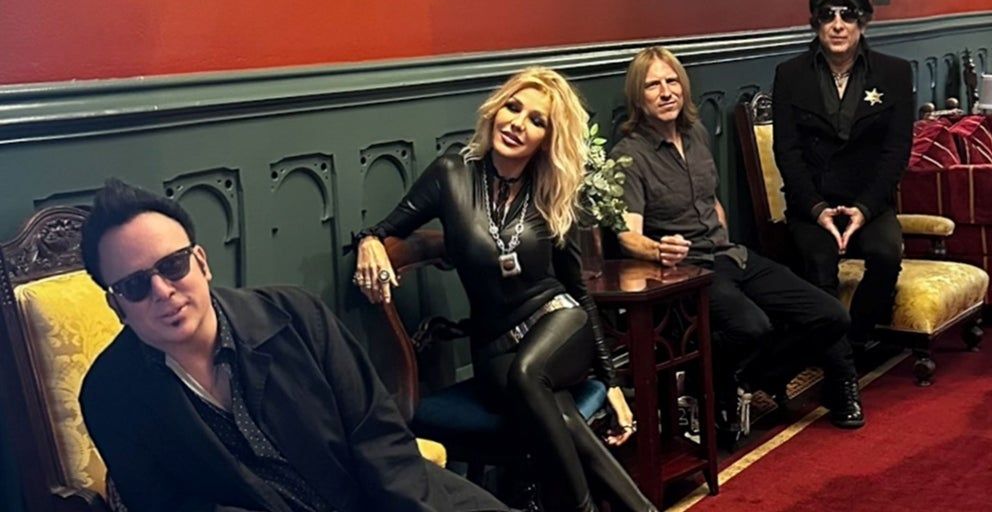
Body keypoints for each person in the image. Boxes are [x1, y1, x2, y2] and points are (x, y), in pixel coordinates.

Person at [78, 179, 511, 512]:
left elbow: (379, 439)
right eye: (135, 285)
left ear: (202, 262)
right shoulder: (109, 395)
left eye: (173, 265)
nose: (163, 292)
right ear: (116, 305)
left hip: (389, 499)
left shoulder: (296, 315)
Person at [355, 67, 657, 512]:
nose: (517, 123)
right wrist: (369, 242)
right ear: (496, 109)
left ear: (547, 140)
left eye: (536, 121)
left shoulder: (552, 191)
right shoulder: (451, 173)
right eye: (513, 107)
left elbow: (576, 288)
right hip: (494, 345)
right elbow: (384, 228)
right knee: (558, 411)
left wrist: (610, 381)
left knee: (528, 375)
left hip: (557, 322)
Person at [610, 47, 864, 432]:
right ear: (637, 97)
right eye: (653, 85)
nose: (666, 92)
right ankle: (716, 386)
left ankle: (748, 379)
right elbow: (627, 235)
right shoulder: (629, 156)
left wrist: (722, 234)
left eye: (672, 81)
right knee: (752, 327)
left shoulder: (696, 134)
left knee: (831, 315)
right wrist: (659, 249)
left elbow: (712, 201)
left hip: (732, 255)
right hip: (690, 270)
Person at [772, 0, 913, 344]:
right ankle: (833, 352)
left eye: (847, 15)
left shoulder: (895, 73)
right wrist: (817, 209)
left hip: (871, 204)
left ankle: (856, 340)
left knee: (886, 255)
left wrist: (864, 209)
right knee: (818, 264)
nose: (837, 25)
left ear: (862, 23)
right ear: (815, 23)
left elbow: (896, 152)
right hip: (812, 205)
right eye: (827, 15)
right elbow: (787, 152)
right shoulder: (789, 75)